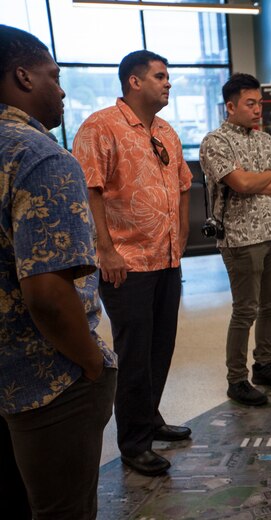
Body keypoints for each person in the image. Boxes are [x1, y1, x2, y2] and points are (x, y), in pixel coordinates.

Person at [0, 25, 117, 518]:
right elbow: (48, 295)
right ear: (23, 77)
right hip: (47, 378)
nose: (63, 89)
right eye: (55, 75)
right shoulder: (40, 156)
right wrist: (90, 364)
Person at [72, 50, 192, 476]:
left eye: (168, 77)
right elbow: (90, 191)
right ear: (134, 82)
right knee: (135, 353)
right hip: (127, 261)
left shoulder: (166, 132)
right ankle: (134, 443)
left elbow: (182, 185)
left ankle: (151, 418)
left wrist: (181, 235)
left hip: (166, 258)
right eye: (161, 76)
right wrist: (105, 249)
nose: (168, 83)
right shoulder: (100, 127)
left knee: (161, 347)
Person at [200, 73, 271, 406]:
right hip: (240, 238)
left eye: (260, 103)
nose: (258, 110)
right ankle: (237, 379)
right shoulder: (215, 142)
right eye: (250, 103)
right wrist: (264, 176)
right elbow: (239, 184)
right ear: (230, 106)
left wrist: (258, 178)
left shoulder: (265, 139)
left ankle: (264, 365)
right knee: (246, 310)